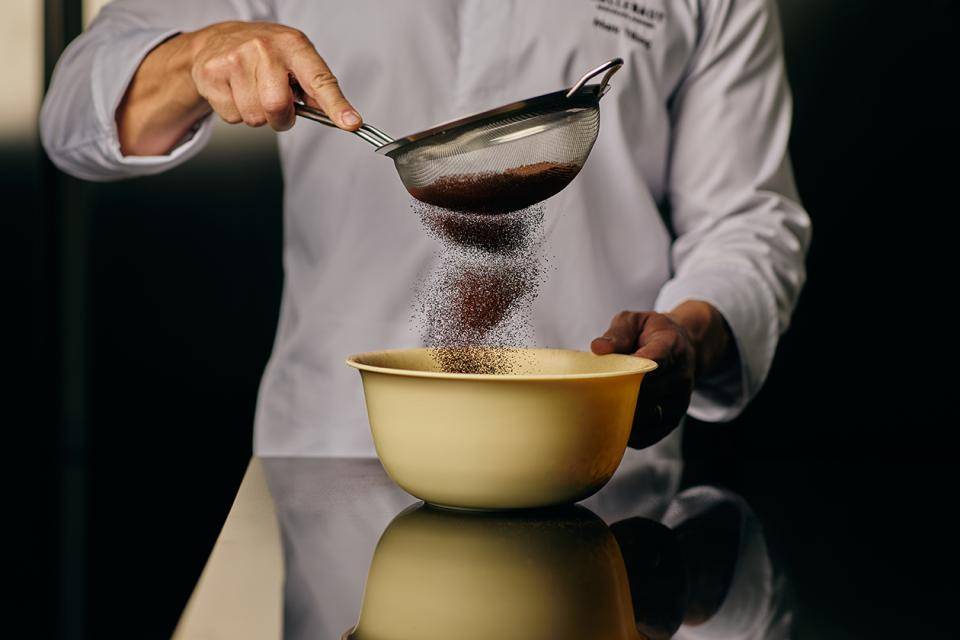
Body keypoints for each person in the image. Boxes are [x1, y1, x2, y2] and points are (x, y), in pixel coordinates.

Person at [41, 1, 809, 475]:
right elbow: (74, 112)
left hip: (602, 461)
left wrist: (693, 334)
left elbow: (747, 218)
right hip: (332, 463)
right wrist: (196, 51)